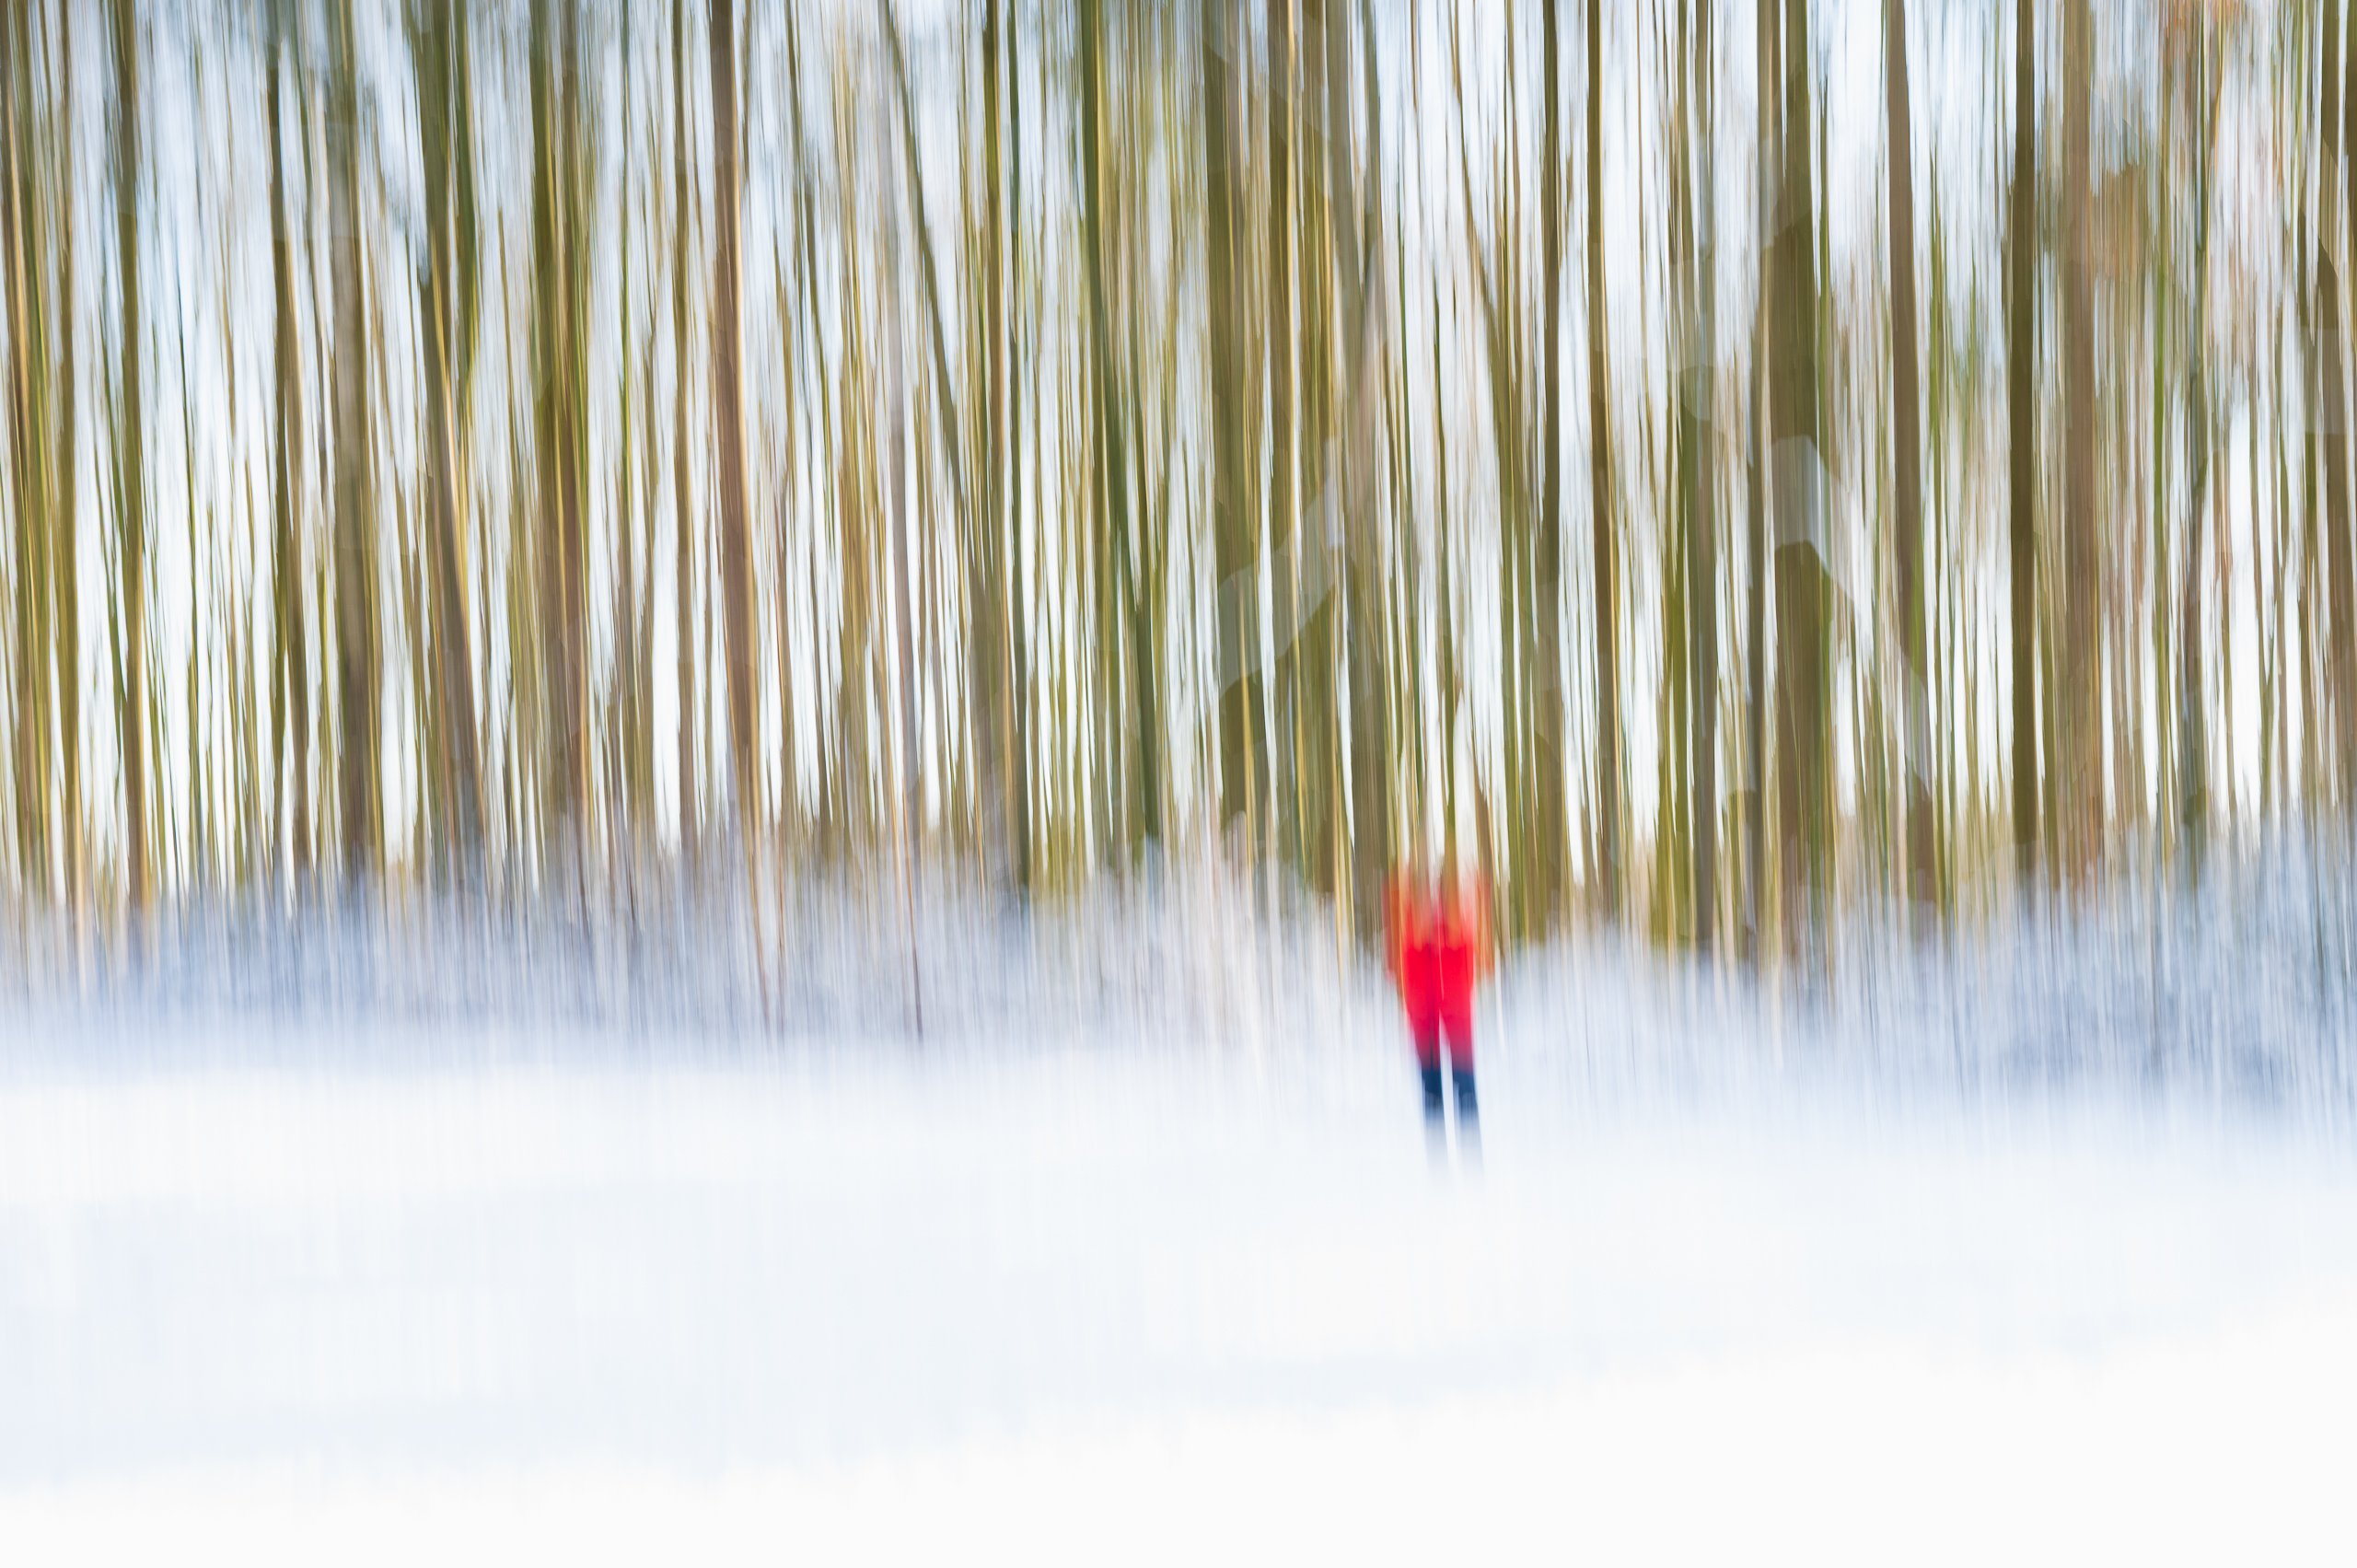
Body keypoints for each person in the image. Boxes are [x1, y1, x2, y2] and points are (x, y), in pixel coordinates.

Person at [1384, 865, 1492, 1154]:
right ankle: (1444, 1160)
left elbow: (1475, 963)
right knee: (1436, 1088)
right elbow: (1397, 968)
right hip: (1426, 1017)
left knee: (1461, 1087)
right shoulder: (1415, 931)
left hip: (1450, 1018)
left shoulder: (1455, 928)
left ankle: (1467, 1156)